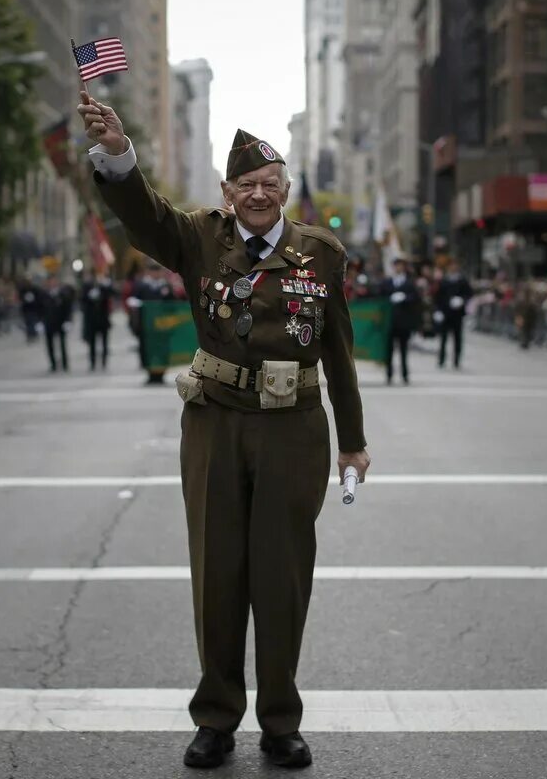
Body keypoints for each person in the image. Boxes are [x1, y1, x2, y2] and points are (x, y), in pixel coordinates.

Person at [80, 91, 370, 770]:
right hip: (214, 424)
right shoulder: (198, 237)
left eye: (270, 183)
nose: (259, 193)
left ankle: (279, 721)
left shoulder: (320, 255)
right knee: (217, 573)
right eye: (247, 185)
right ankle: (215, 718)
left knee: (283, 577)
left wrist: (353, 442)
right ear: (227, 191)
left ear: (286, 190)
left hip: (294, 430)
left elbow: (339, 353)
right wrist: (120, 152)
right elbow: (142, 214)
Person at [128, 261, 175, 385]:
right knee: (147, 350)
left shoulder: (166, 286)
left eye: (157, 271)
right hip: (147, 326)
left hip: (162, 326)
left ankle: (160, 374)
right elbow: (133, 300)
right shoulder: (141, 286)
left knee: (162, 350)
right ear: (148, 272)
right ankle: (150, 374)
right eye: (153, 271)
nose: (155, 274)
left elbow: (173, 305)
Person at [378, 257, 419, 384]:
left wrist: (405, 298)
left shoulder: (409, 283)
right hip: (390, 322)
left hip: (403, 322)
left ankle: (405, 375)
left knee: (403, 350)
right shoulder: (387, 282)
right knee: (389, 350)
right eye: (396, 265)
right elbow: (380, 297)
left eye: (400, 265)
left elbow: (416, 298)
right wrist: (389, 298)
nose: (398, 268)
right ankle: (389, 374)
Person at [434, 258, 472, 369]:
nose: (453, 268)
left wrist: (462, 300)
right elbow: (438, 297)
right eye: (451, 265)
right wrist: (438, 311)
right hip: (446, 313)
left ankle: (456, 360)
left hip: (457, 314)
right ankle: (441, 359)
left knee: (457, 338)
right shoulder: (443, 281)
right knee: (443, 338)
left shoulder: (462, 281)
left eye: (455, 265)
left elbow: (469, 294)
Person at [80, 269, 115, 371]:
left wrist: (106, 285)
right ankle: (92, 362)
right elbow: (82, 300)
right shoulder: (87, 286)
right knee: (92, 343)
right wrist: (89, 296)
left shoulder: (104, 286)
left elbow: (112, 294)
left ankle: (104, 362)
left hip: (103, 320)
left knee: (104, 342)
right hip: (92, 320)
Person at [41, 276, 74, 373]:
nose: (52, 283)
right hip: (49, 323)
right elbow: (40, 309)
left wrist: (68, 321)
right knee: (49, 344)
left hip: (60, 322)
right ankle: (53, 364)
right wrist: (40, 322)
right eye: (50, 282)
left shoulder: (63, 294)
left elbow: (68, 308)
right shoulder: (44, 295)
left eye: (53, 281)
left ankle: (65, 363)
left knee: (62, 344)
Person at [514, 285, 538, 349]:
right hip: (524, 318)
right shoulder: (522, 300)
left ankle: (525, 342)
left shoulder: (531, 300)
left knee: (526, 331)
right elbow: (517, 309)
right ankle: (524, 342)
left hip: (528, 319)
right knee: (524, 331)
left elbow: (534, 310)